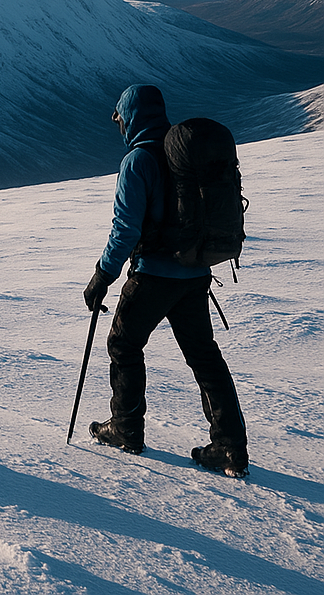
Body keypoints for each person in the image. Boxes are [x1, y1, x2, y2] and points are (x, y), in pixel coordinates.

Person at [83, 83, 249, 477]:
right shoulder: (185, 155)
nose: (119, 126)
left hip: (155, 274)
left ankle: (126, 428)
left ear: (132, 117)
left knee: (123, 344)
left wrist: (102, 276)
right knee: (204, 356)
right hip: (195, 274)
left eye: (120, 118)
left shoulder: (139, 160)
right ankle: (229, 447)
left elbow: (125, 229)